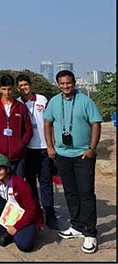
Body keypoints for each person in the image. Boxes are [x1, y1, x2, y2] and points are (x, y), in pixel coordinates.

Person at [44, 70, 102, 254]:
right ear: (58, 84)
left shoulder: (85, 101)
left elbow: (96, 123)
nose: (65, 86)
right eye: (62, 83)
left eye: (68, 83)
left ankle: (90, 233)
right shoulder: (54, 102)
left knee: (86, 193)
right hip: (62, 155)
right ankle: (76, 225)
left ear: (74, 83)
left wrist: (92, 148)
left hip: (83, 155)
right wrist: (50, 146)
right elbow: (47, 123)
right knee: (70, 192)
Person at [0, 154, 43, 252]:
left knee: (25, 245)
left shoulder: (20, 184)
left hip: (25, 216)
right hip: (11, 212)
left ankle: (31, 229)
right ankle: (7, 231)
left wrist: (16, 227)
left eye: (0, 169)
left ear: (7, 169)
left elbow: (31, 210)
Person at [16, 73, 58, 230]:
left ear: (30, 85)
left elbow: (50, 123)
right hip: (27, 150)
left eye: (26, 85)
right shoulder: (18, 103)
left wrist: (51, 144)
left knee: (46, 183)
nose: (24, 88)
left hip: (43, 148)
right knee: (30, 184)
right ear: (17, 88)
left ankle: (50, 215)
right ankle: (36, 214)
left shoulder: (42, 100)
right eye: (21, 86)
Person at [0, 75, 32, 178]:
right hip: (1, 155)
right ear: (0, 89)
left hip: (18, 156)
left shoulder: (21, 107)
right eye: (4, 89)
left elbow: (28, 129)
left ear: (13, 88)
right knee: (2, 183)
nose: (7, 92)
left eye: (9, 89)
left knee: (18, 183)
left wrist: (21, 143)